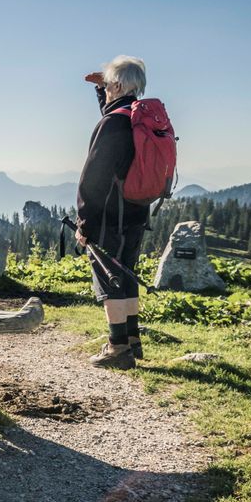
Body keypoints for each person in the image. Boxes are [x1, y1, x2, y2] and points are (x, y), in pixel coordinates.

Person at [76, 55, 150, 369]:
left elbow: (93, 177)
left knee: (110, 279)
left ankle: (117, 346)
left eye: (107, 85)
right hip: (137, 212)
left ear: (117, 85)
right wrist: (99, 90)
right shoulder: (138, 117)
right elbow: (113, 113)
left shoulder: (113, 122)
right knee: (127, 273)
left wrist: (84, 222)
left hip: (111, 215)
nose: (105, 90)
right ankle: (132, 339)